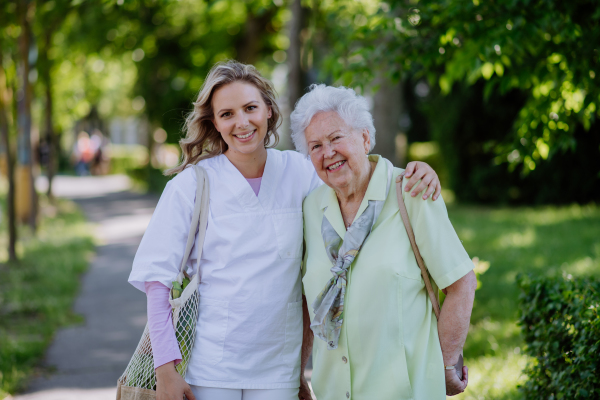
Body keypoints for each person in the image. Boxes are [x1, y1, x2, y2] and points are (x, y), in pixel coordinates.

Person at [128, 61, 442, 400]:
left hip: (280, 371)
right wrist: (166, 369)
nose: (242, 122)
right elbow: (156, 282)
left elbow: (358, 179)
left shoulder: (301, 172)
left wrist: (412, 173)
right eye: (227, 114)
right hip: (211, 370)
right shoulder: (192, 184)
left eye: (250, 108)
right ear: (214, 122)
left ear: (268, 111)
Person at [293, 84, 477, 400]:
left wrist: (446, 367)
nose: (328, 153)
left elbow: (461, 282)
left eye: (337, 138)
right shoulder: (310, 208)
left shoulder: (412, 193)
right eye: (316, 145)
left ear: (365, 138)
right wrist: (299, 376)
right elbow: (309, 302)